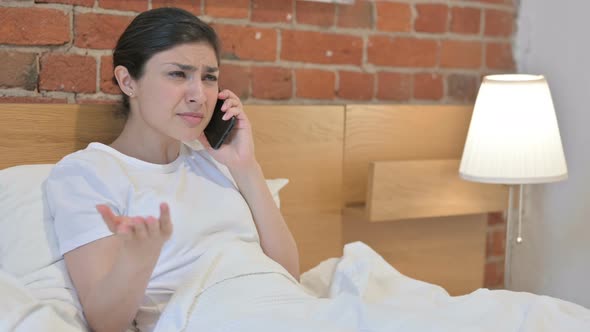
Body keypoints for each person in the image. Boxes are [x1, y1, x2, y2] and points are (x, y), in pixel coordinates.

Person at [44, 7, 299, 332]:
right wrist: (139, 257)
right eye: (178, 74)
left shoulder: (219, 162)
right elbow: (104, 321)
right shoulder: (87, 174)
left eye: (209, 77)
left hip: (287, 311)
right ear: (128, 81)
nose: (198, 96)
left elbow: (290, 275)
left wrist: (246, 167)